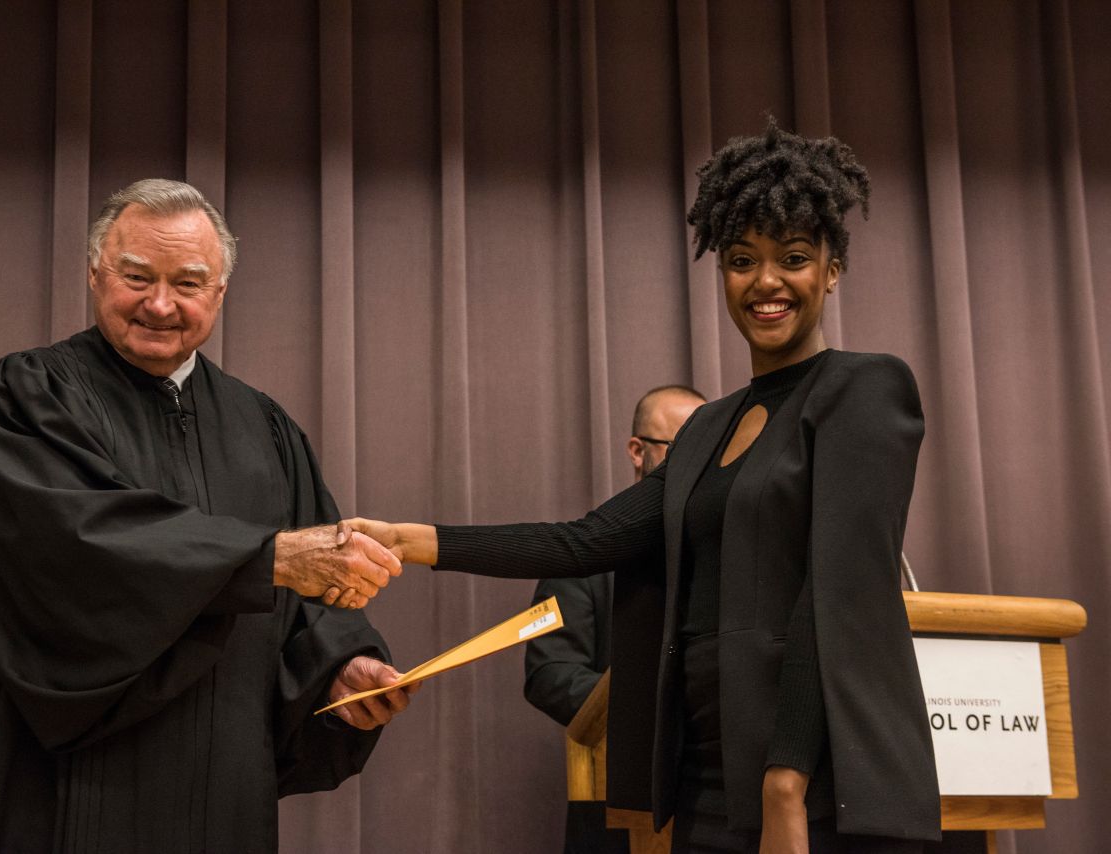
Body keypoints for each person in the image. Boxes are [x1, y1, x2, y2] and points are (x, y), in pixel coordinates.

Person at [340, 120, 941, 853]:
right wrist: (412, 541)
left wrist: (786, 780)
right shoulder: (707, 428)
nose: (766, 282)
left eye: (793, 258)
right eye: (742, 260)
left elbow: (841, 591)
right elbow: (584, 541)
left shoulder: (864, 389)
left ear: (832, 268)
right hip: (706, 778)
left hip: (819, 780)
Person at [0, 179, 415, 853]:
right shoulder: (27, 397)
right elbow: (76, 543)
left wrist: (340, 668)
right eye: (136, 277)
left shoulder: (263, 427)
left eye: (188, 284)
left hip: (222, 779)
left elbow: (312, 602)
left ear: (219, 292)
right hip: (63, 782)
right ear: (95, 274)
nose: (160, 304)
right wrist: (266, 559)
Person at [525, 386, 705, 854]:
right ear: (637, 451)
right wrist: (653, 709)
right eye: (680, 447)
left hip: (717, 800)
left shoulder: (730, 551)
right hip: (615, 803)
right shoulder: (585, 554)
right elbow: (550, 673)